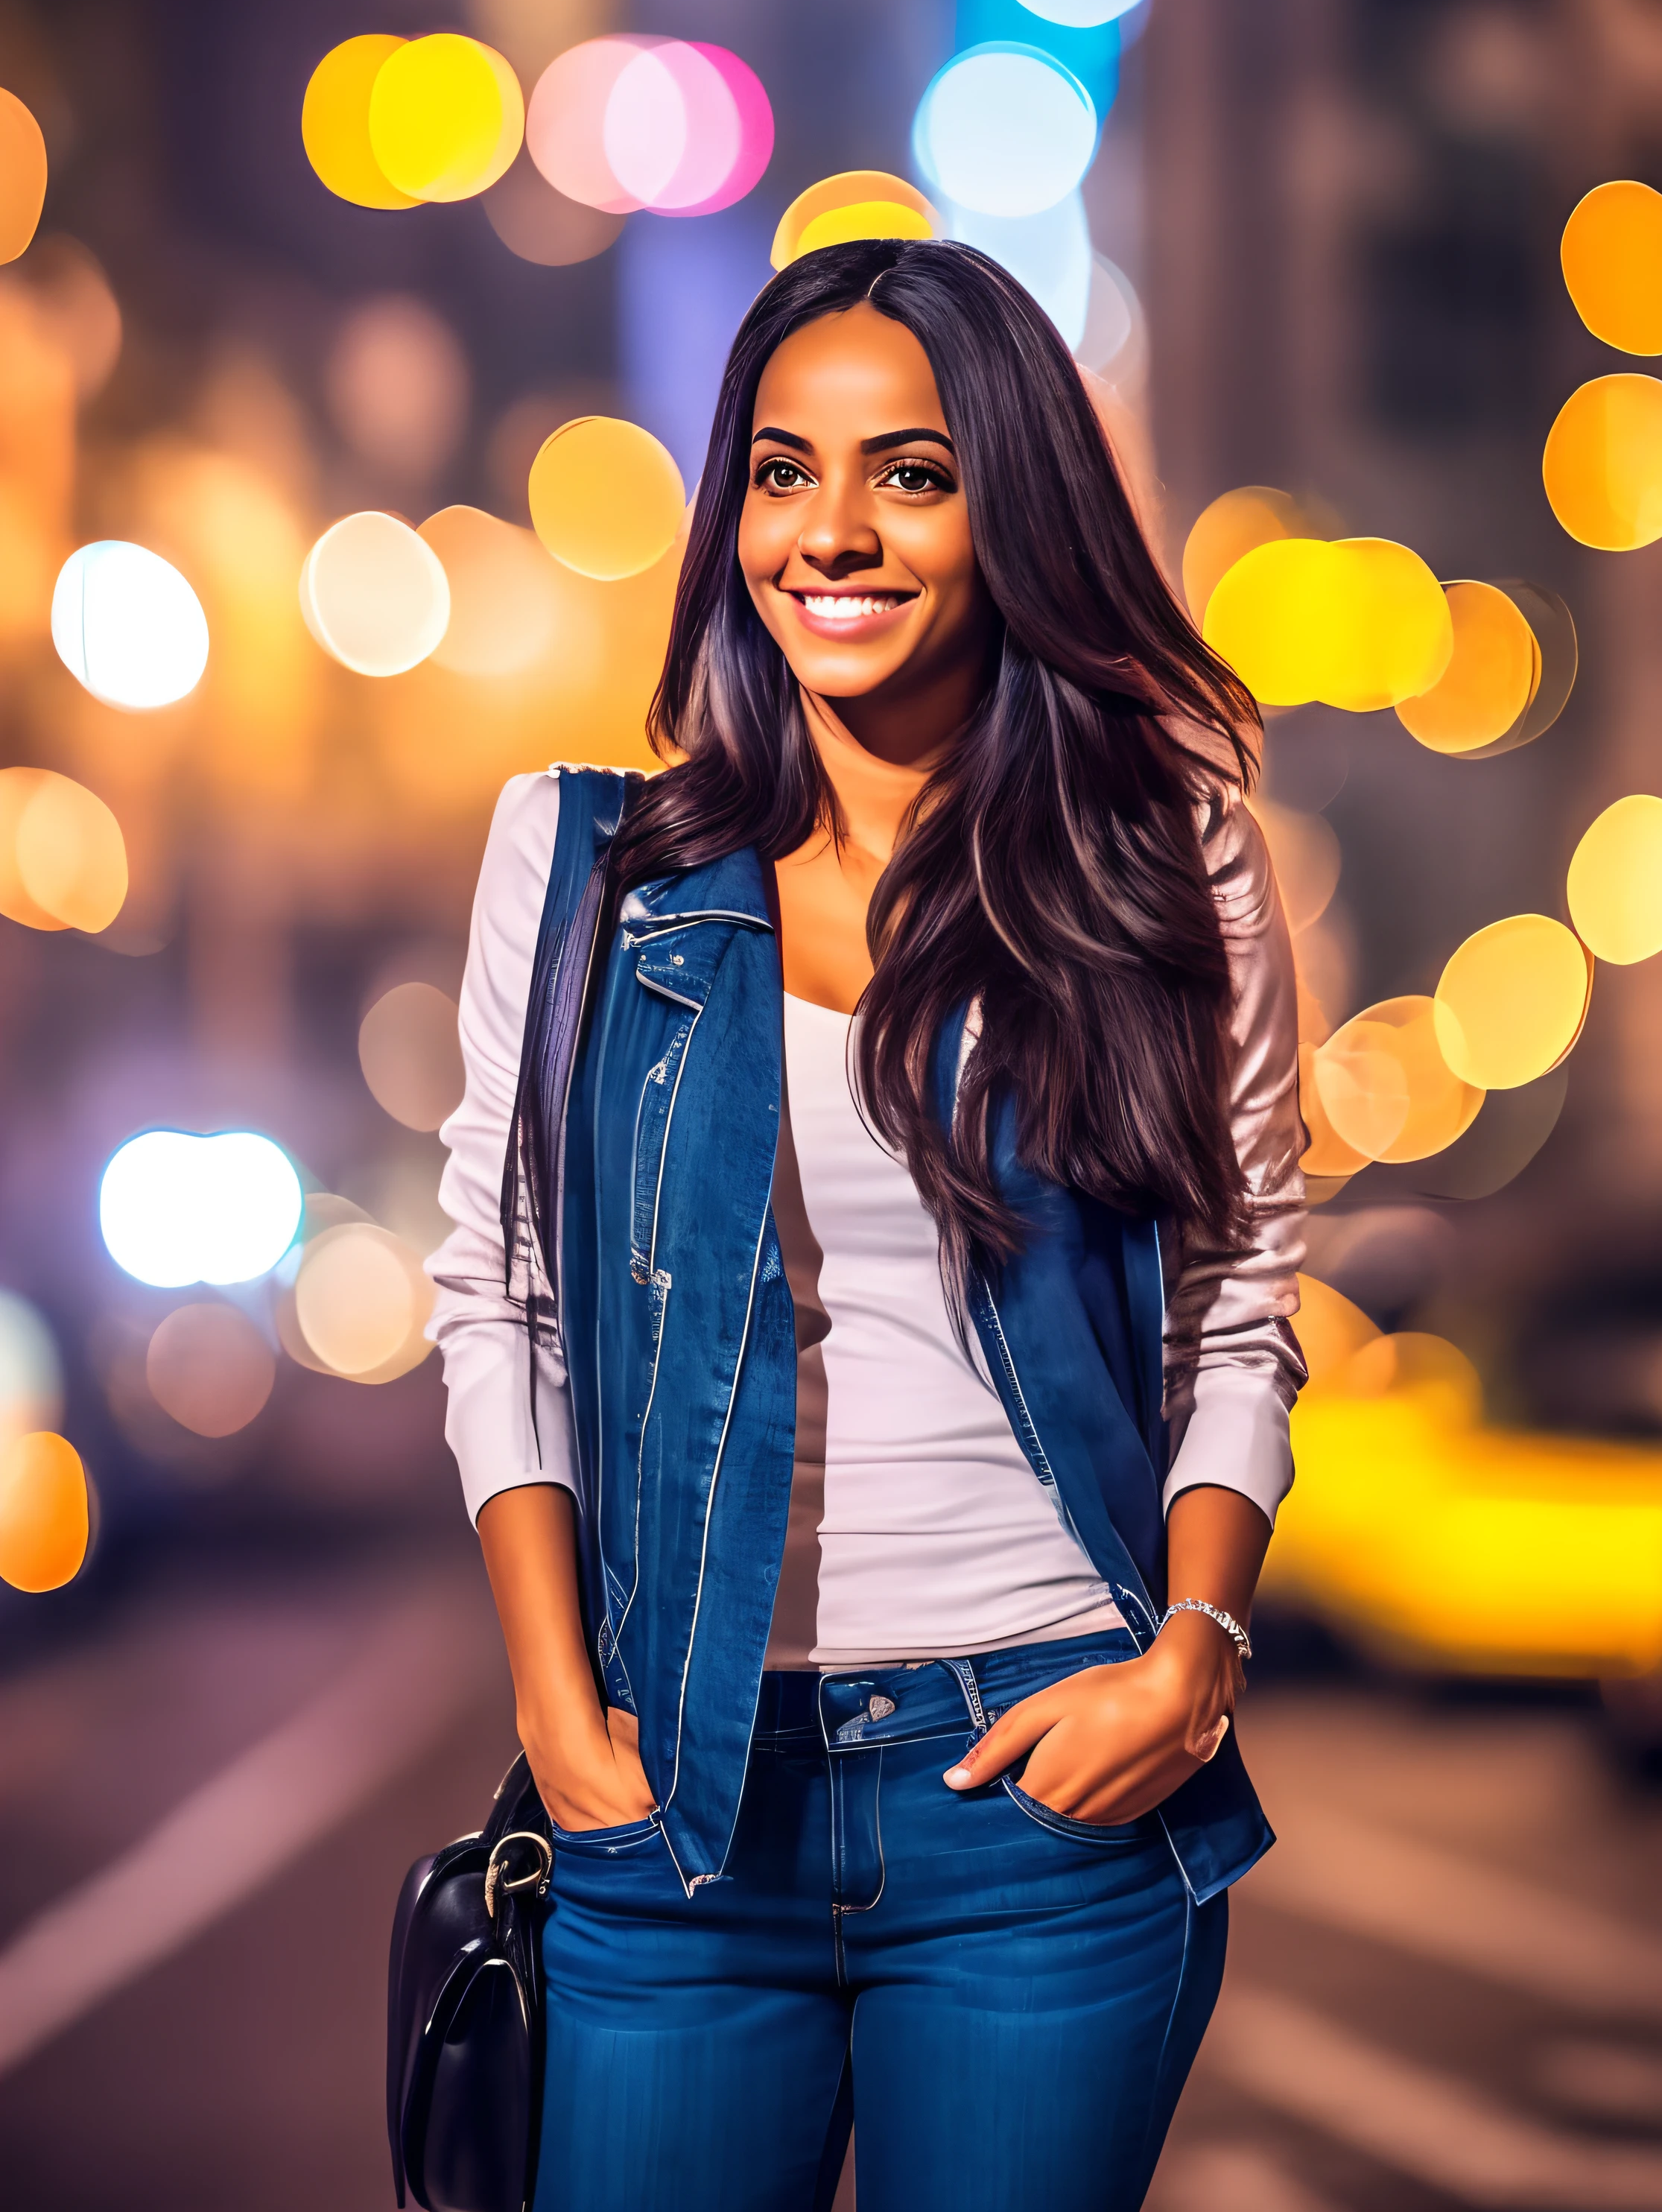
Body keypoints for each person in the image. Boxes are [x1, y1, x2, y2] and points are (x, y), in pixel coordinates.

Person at [427, 235, 1306, 2212]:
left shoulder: (1167, 862)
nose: (832, 530)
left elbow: (1238, 1298)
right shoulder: (586, 870)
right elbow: (506, 1304)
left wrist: (1193, 1654)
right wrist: (562, 1712)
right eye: (779, 469)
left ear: (1017, 509)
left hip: (1042, 1802)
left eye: (911, 472)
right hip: (677, 1805)